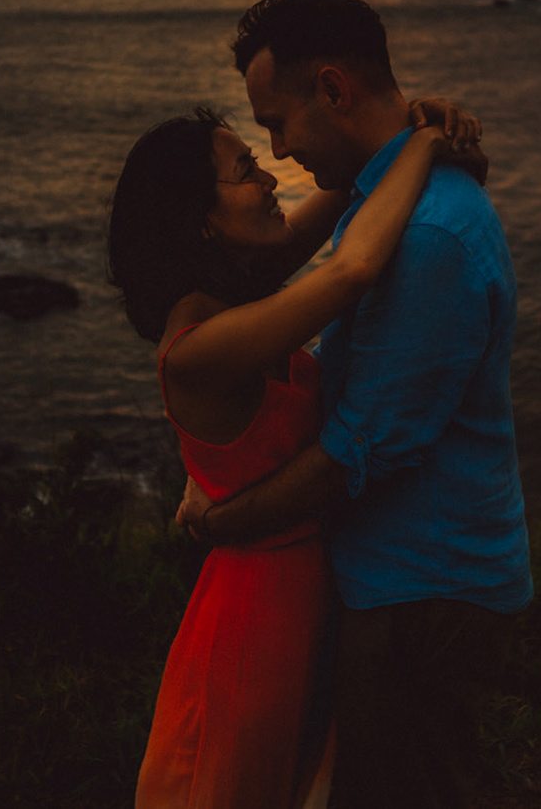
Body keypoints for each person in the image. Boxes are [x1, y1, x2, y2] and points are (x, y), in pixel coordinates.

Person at [178, 0, 532, 809]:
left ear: (333, 89)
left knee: (415, 788)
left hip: (425, 584)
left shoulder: (427, 235)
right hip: (401, 571)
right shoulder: (384, 202)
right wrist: (422, 129)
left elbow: (357, 450)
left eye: (276, 121)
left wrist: (227, 519)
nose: (277, 151)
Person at [110, 94, 485, 809]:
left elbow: (345, 186)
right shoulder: (198, 347)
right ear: (201, 218)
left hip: (308, 583)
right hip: (259, 614)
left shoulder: (235, 291)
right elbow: (351, 270)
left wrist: (405, 119)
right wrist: (428, 144)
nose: (271, 178)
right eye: (246, 170)